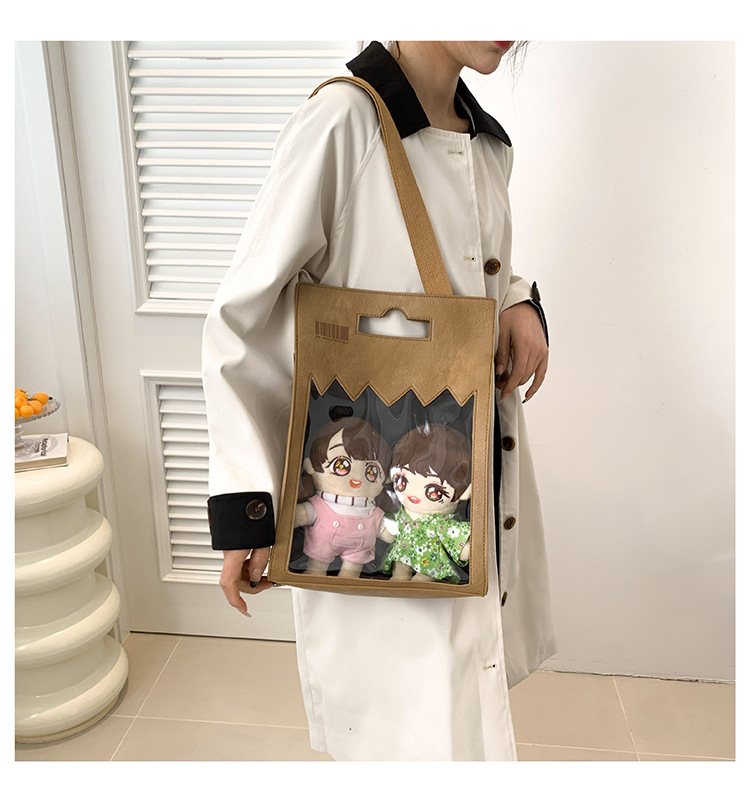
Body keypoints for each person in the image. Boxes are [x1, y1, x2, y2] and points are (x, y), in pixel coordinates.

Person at [202, 40, 556, 761]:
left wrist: (517, 299)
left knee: (458, 712)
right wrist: (249, 505)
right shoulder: (343, 121)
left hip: (454, 481)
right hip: (371, 486)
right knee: (402, 722)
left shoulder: (487, 144)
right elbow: (242, 316)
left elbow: (469, 260)